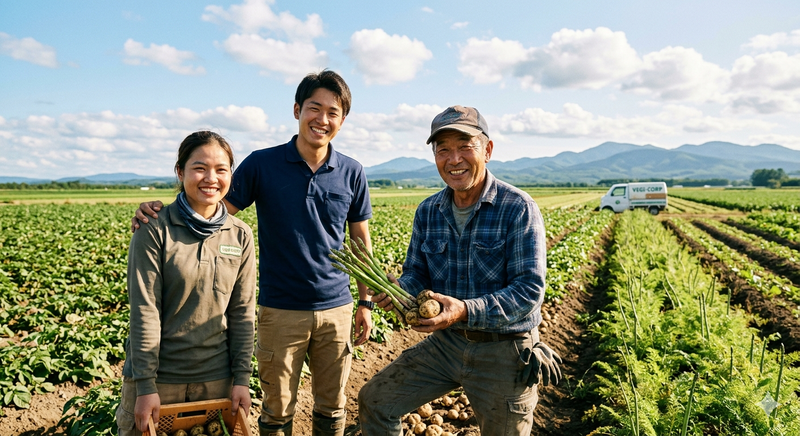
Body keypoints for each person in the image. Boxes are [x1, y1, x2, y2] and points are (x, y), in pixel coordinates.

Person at [131, 70, 373, 436]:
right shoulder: (263, 164)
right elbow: (211, 207)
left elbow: (360, 242)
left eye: (333, 112)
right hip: (280, 310)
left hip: (336, 308)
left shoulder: (352, 171)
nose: (322, 119)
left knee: (333, 406)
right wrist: (161, 214)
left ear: (342, 120)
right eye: (314, 108)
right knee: (276, 410)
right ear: (297, 110)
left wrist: (365, 302)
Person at [358, 106, 562, 435]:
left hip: (504, 350)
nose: (454, 159)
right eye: (444, 149)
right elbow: (417, 274)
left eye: (465, 146)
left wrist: (464, 310)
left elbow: (528, 292)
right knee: (375, 401)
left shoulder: (518, 208)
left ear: (488, 150)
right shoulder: (428, 211)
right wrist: (399, 290)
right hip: (446, 345)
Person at [116, 131, 256, 436]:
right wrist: (144, 386)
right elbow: (145, 311)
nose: (211, 178)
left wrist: (242, 379)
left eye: (221, 169)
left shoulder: (240, 235)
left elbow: (243, 314)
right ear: (180, 172)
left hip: (217, 381)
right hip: (160, 380)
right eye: (199, 168)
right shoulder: (154, 229)